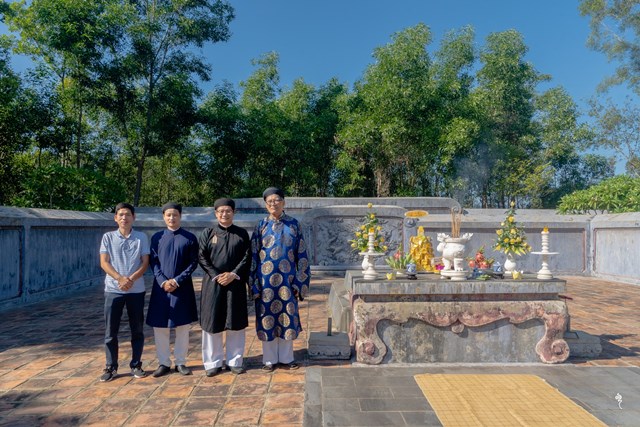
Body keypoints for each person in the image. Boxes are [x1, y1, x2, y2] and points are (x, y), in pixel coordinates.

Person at [250, 187, 310, 371]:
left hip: (287, 281)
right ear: (266, 205)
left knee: (287, 317)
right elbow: (253, 256)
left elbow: (302, 255)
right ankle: (268, 359)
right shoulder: (261, 225)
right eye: (269, 201)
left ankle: (286, 358)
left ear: (283, 202)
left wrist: (299, 282)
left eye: (276, 200)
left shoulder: (293, 224)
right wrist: (254, 284)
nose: (273, 204)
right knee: (266, 317)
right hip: (265, 282)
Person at [198, 198, 251, 376]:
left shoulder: (241, 234)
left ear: (234, 212)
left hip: (235, 283)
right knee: (212, 322)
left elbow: (247, 257)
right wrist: (216, 275)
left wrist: (233, 274)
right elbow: (202, 256)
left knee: (235, 322)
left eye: (228, 211)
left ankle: (234, 360)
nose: (224, 214)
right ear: (216, 213)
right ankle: (212, 362)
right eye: (221, 211)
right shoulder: (208, 233)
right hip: (213, 283)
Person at [146, 202, 199, 377]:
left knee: (182, 326)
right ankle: (163, 362)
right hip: (161, 288)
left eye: (175, 214)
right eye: (168, 215)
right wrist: (163, 281)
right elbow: (153, 262)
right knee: (160, 326)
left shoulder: (189, 238)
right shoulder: (157, 238)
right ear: (163, 216)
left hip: (182, 287)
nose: (172, 218)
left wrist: (177, 281)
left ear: (180, 216)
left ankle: (181, 362)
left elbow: (193, 263)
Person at [99, 202, 150, 382]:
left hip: (136, 290)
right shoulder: (108, 237)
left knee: (137, 329)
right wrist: (120, 278)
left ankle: (136, 364)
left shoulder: (141, 237)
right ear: (115, 218)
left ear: (133, 217)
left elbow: (145, 262)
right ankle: (111, 366)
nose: (124, 218)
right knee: (110, 331)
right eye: (120, 214)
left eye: (127, 214)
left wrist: (131, 279)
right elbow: (104, 262)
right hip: (113, 290)